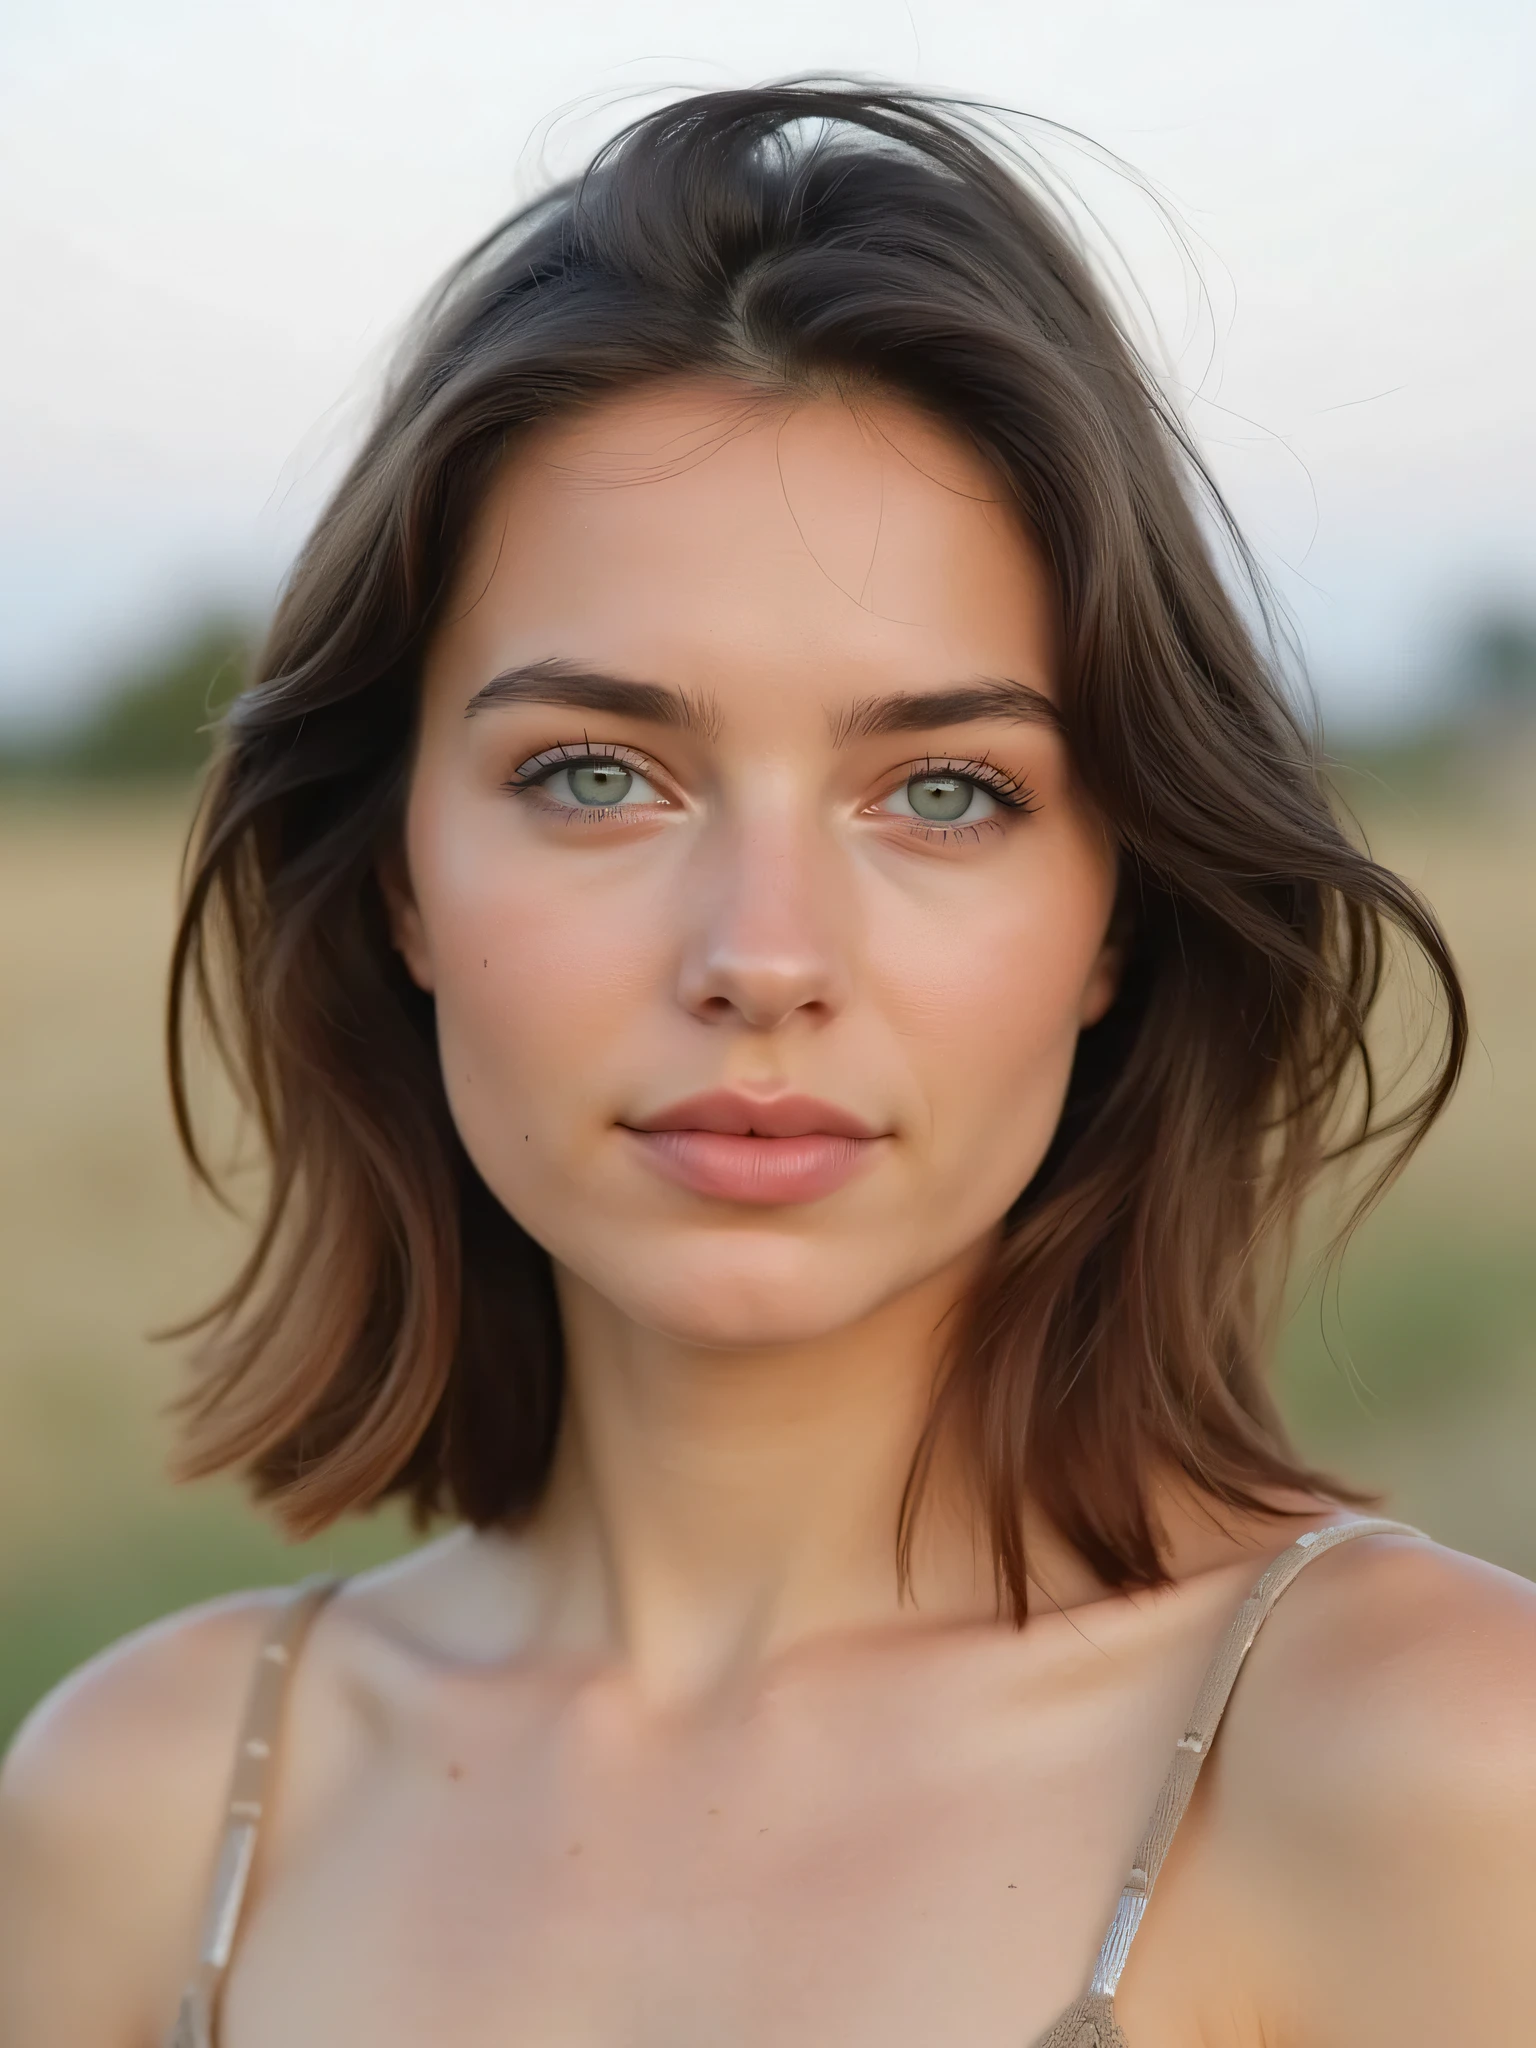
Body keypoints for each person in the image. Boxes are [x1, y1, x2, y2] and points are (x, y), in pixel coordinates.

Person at [1, 84, 1531, 2048]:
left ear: (1118, 919)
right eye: (596, 775)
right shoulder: (150, 1812)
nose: (765, 957)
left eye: (948, 792)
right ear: (398, 876)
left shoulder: (1437, 1775)